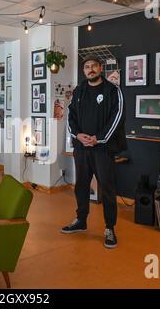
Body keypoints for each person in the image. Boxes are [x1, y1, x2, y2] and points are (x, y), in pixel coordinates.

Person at [63, 54, 127, 249]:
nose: (90, 69)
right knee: (81, 185)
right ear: (84, 71)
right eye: (86, 67)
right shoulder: (79, 91)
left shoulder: (112, 91)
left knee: (107, 188)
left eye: (93, 66)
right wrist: (77, 134)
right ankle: (81, 220)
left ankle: (109, 228)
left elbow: (117, 117)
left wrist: (99, 138)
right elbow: (70, 116)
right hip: (82, 148)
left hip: (103, 148)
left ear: (100, 69)